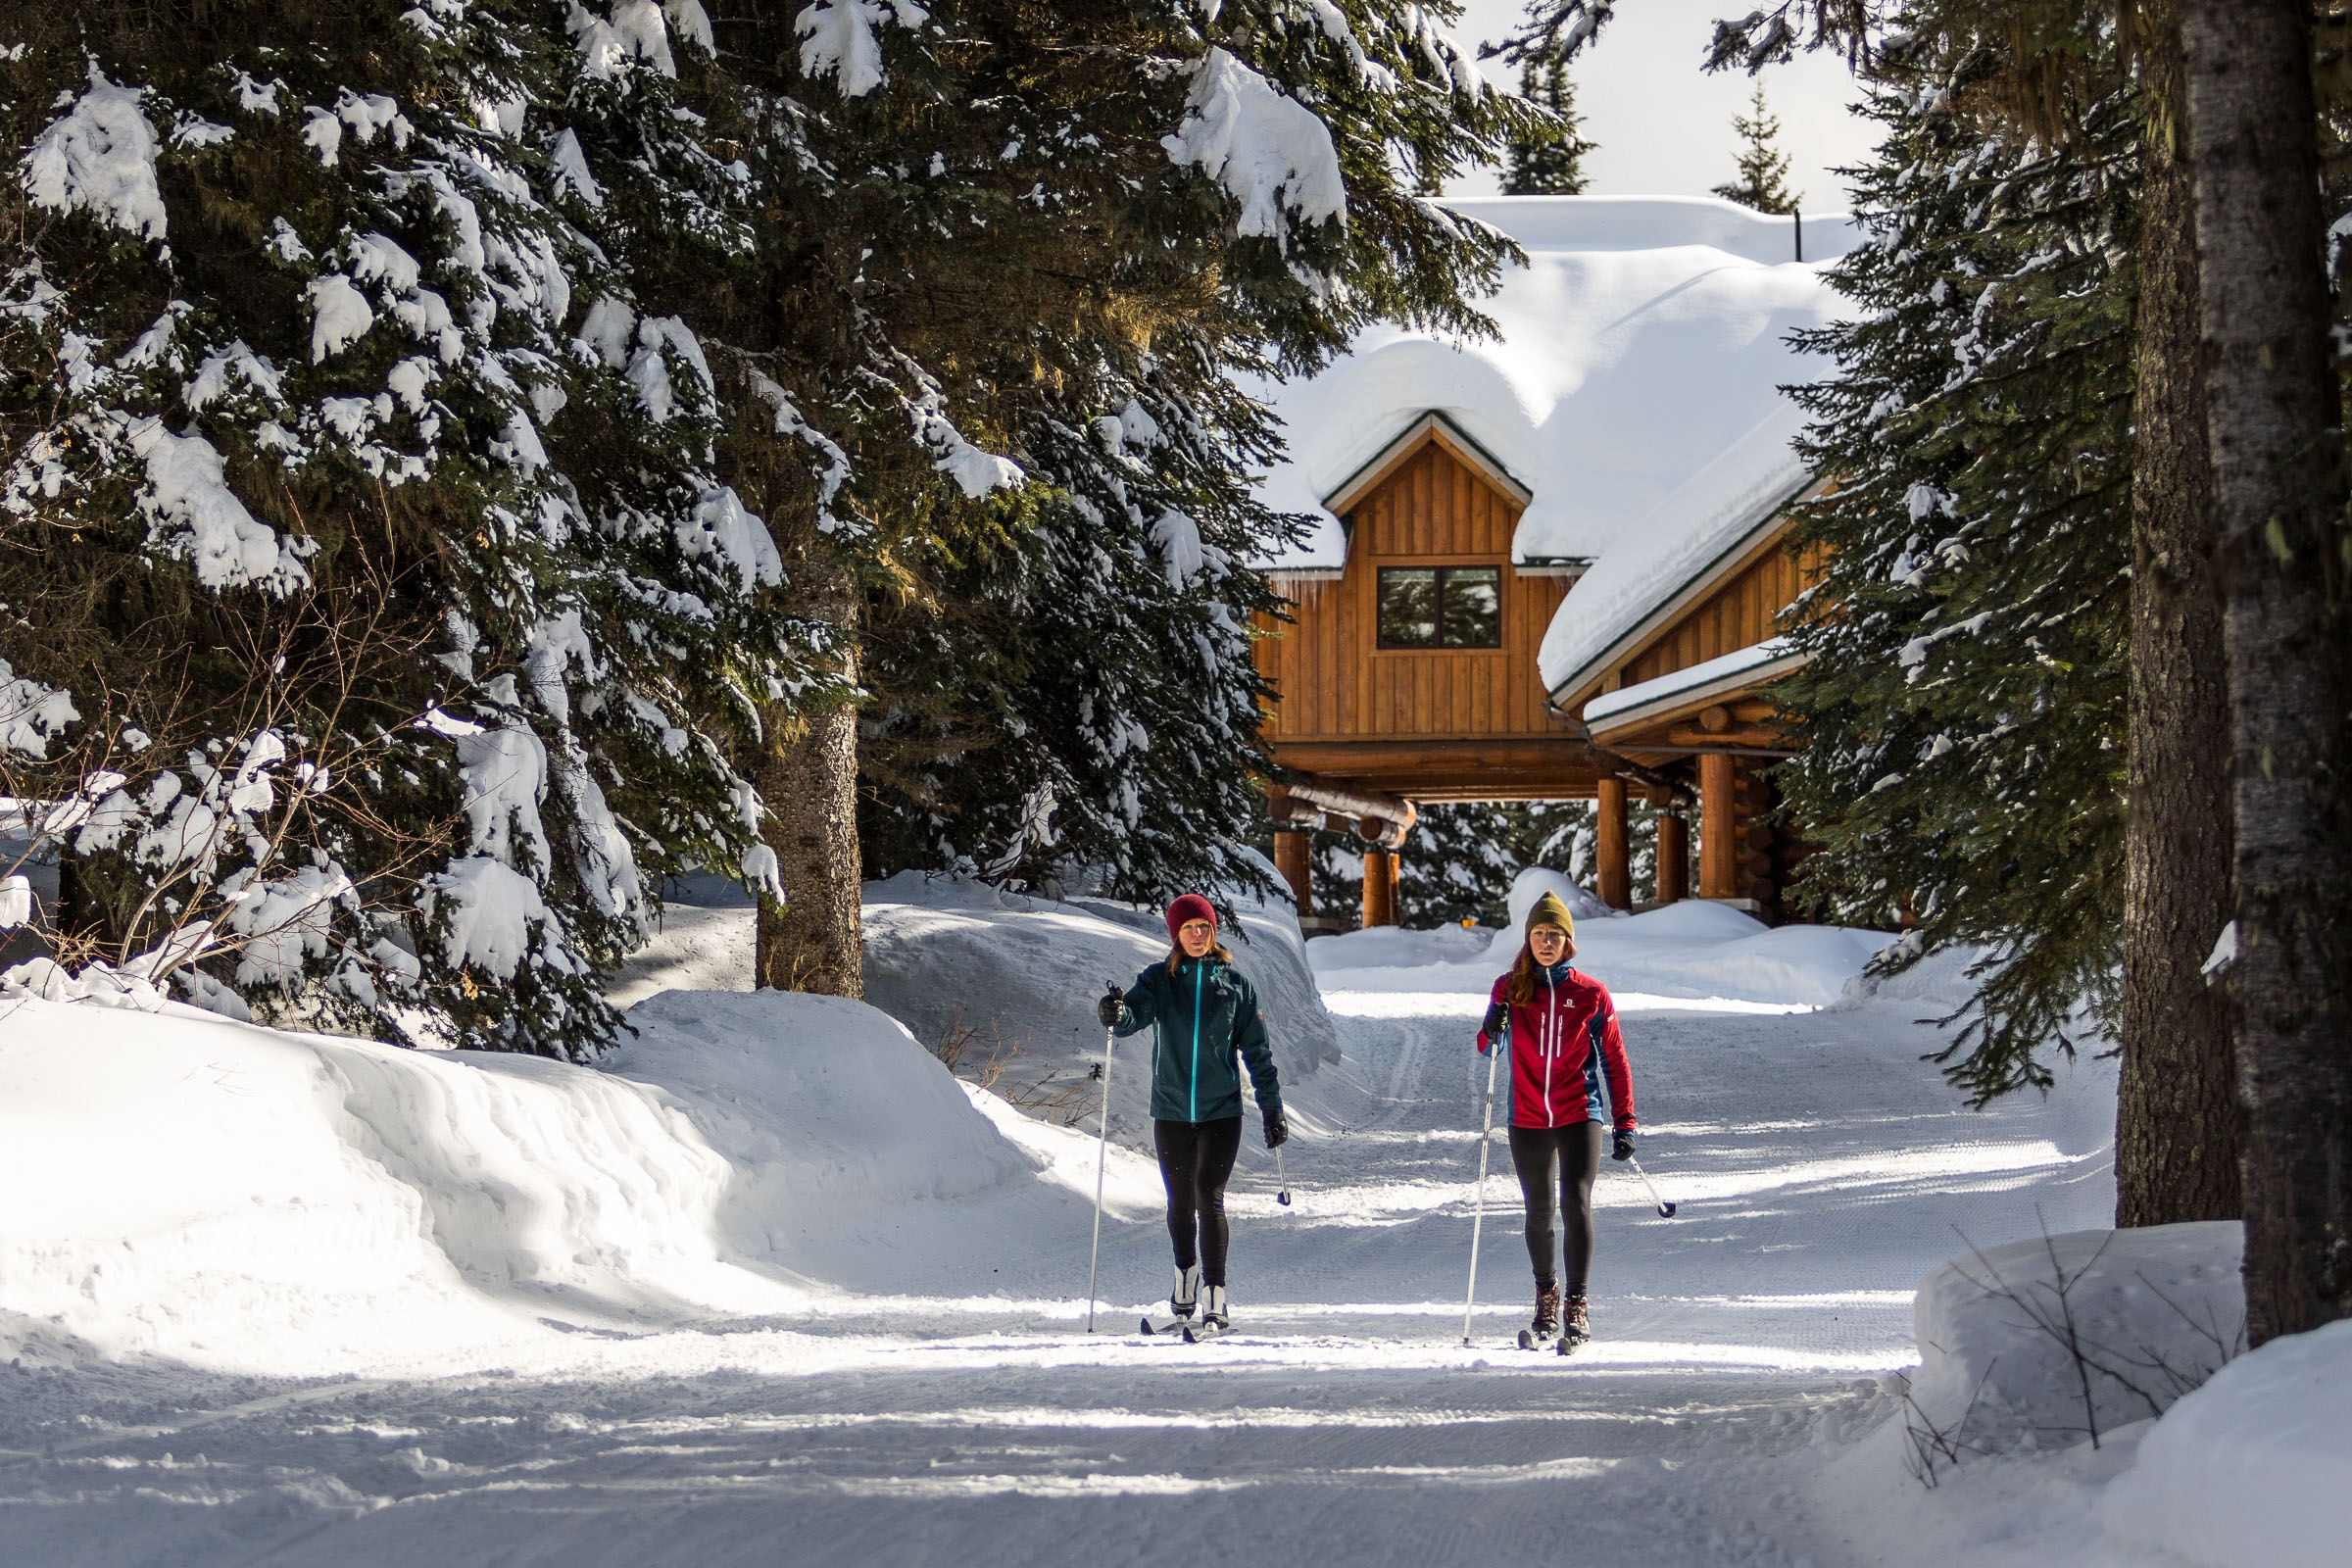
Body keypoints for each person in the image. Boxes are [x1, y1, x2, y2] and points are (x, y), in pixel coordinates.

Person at [1097, 894, 1287, 1331]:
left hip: (1222, 1112)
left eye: (1203, 927)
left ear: (1213, 931)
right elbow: (1130, 1018)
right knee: (1180, 1202)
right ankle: (1185, 1276)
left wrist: (1272, 1108)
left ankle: (1215, 1296)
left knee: (1209, 1196)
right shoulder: (1159, 981)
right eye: (1188, 928)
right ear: (1175, 934)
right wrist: (1114, 1013)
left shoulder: (1236, 985)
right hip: (1172, 1109)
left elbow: (1258, 1052)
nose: (1197, 935)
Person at [1473, 890, 1637, 1348]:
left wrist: (1626, 1122)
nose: (1546, 941)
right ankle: (1546, 1297)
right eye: (1539, 934)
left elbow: (1615, 1062)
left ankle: (1576, 1307)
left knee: (1575, 1204)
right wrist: (1492, 1024)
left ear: (1569, 941)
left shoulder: (1590, 994)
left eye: (1555, 934)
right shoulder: (1510, 987)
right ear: (1528, 939)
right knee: (1539, 1211)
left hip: (1580, 1112)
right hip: (1526, 1117)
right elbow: (1487, 1050)